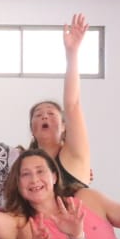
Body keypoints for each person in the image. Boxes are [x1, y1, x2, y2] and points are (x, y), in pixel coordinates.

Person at [27, 14, 94, 188]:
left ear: (64, 126)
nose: (44, 117)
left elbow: (72, 105)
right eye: (38, 115)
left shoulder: (73, 155)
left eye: (50, 113)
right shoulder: (24, 165)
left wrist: (72, 53)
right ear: (31, 129)